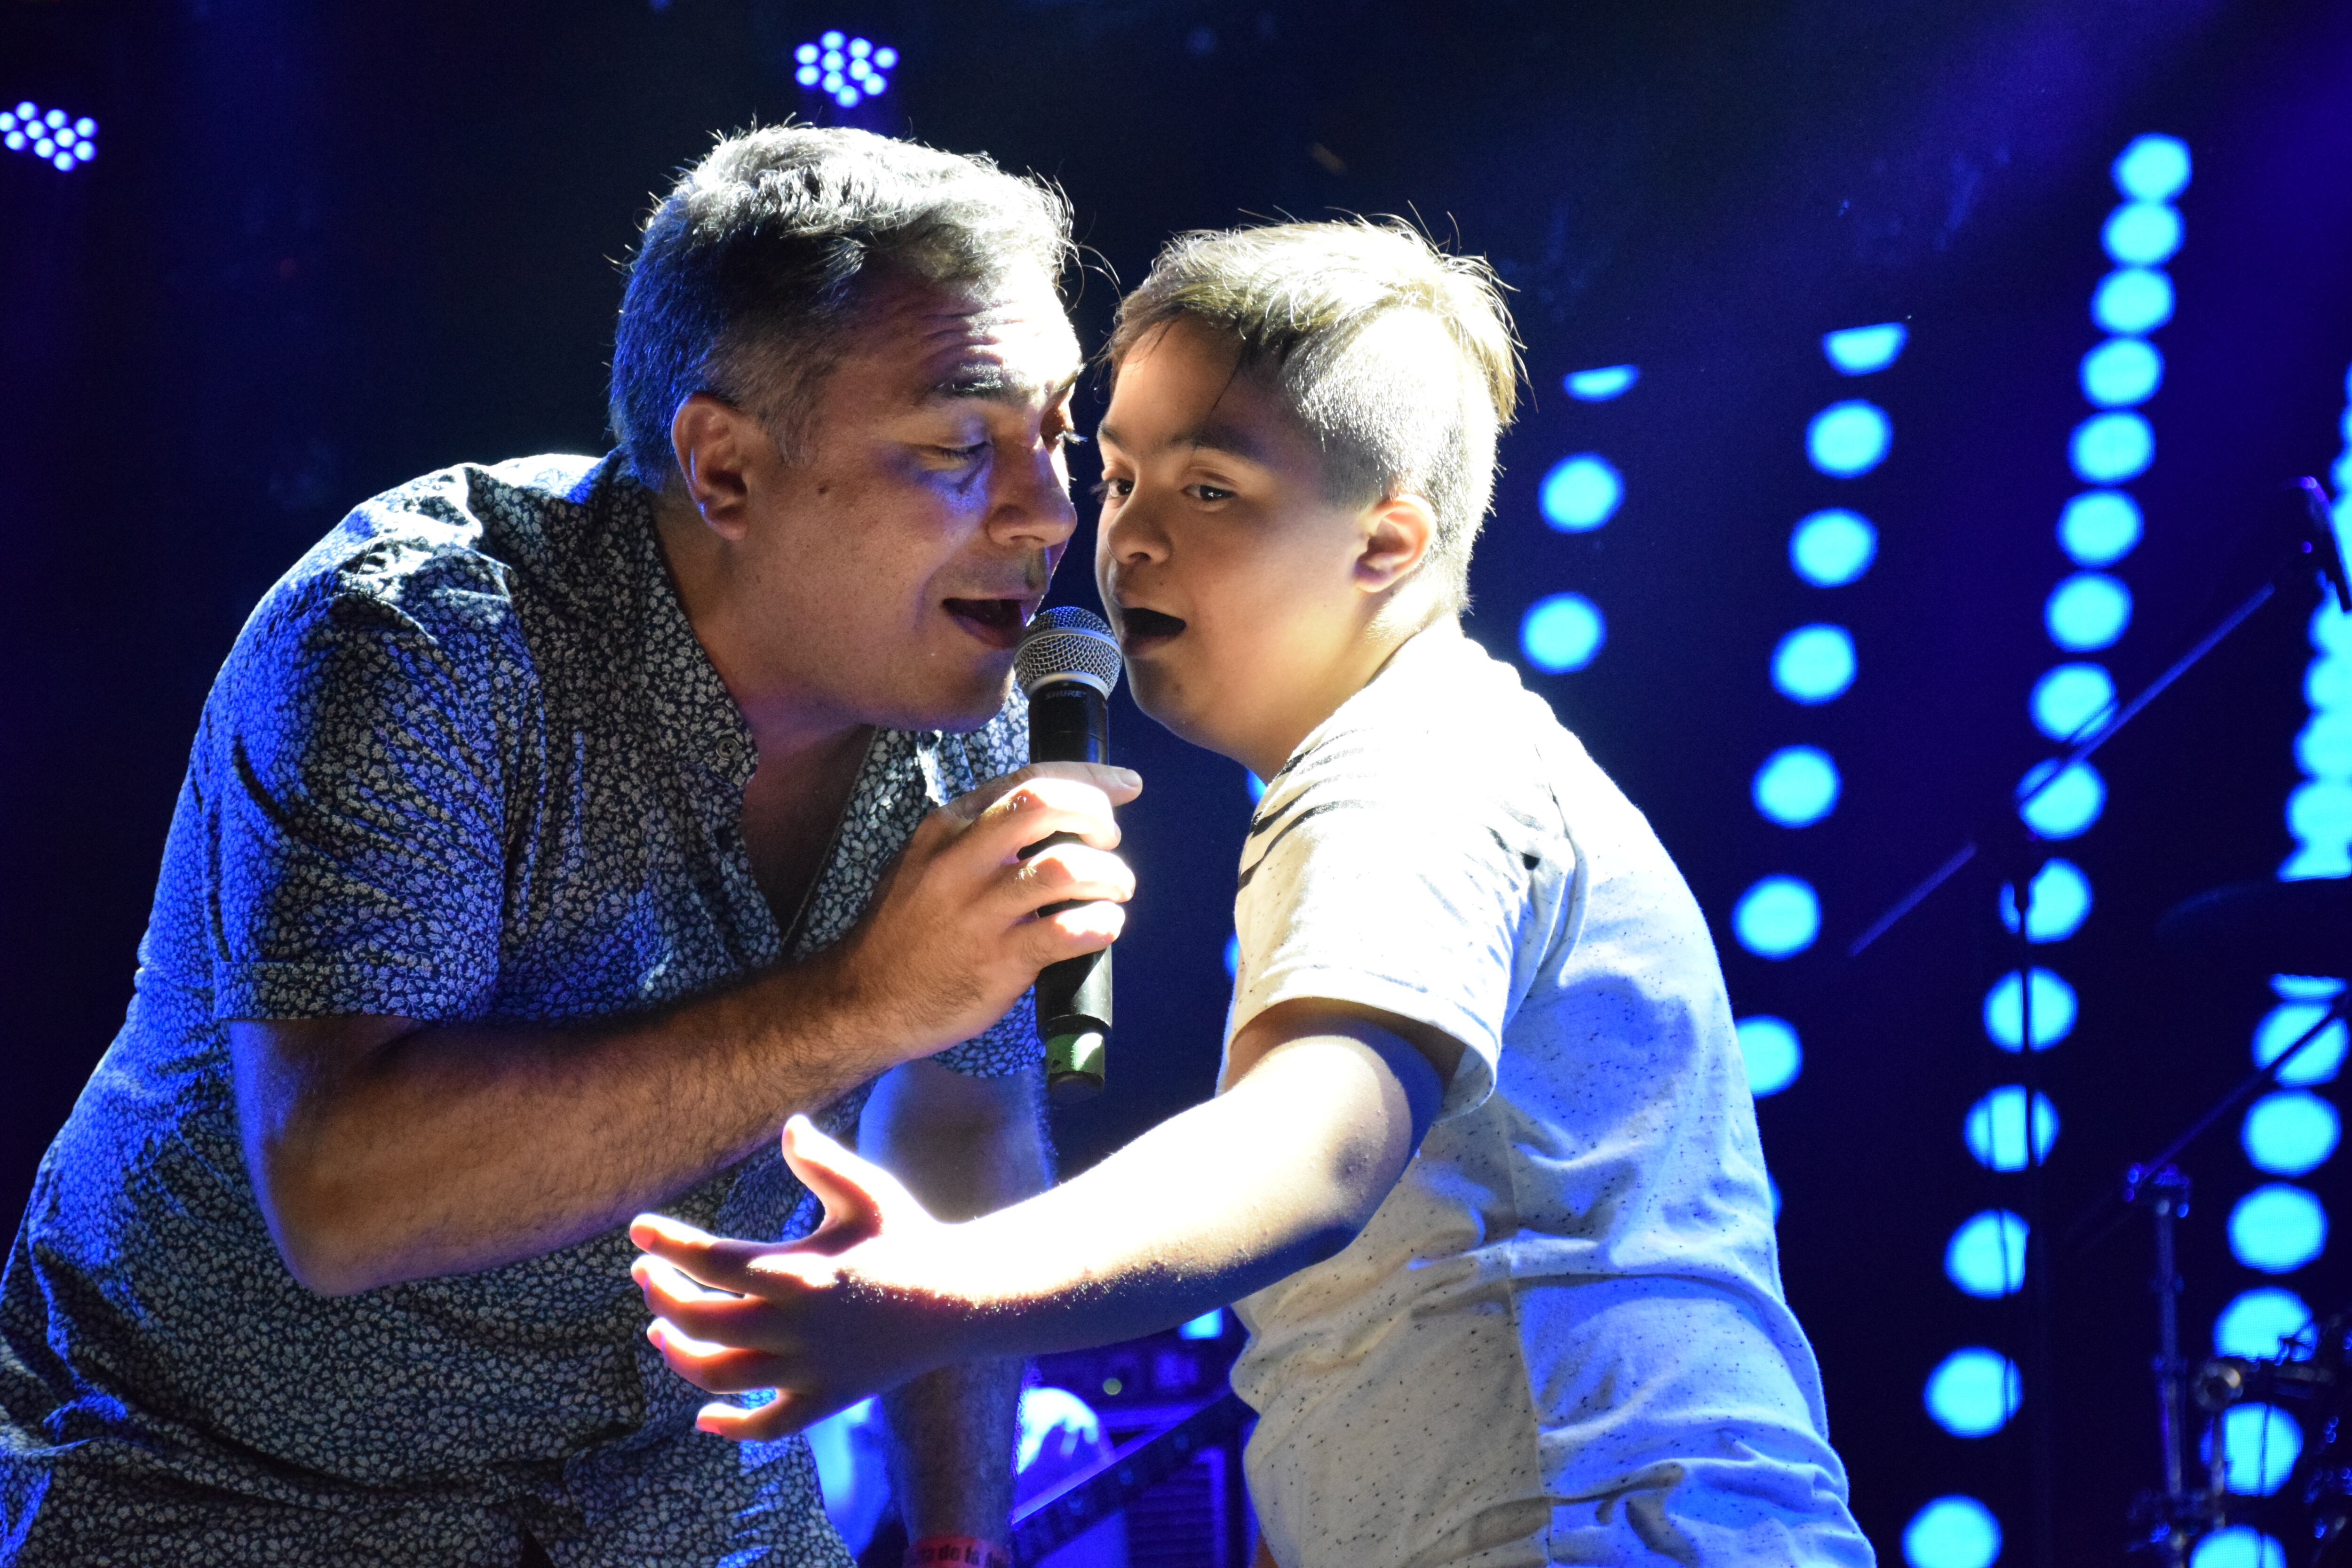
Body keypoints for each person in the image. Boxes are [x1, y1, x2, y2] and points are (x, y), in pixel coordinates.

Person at [632, 219, 1877, 1566]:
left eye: (1211, 489)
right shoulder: (1408, 759)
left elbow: (1313, 1147)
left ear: (1387, 542)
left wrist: (943, 1287)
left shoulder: (1412, 772)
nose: (1129, 539)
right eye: (1115, 479)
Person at [0, 126, 1139, 1566]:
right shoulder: (418, 639)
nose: (1048, 518)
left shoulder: (960, 696)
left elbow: (962, 1120)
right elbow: (342, 1195)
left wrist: (959, 1537)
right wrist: (859, 1003)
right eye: (959, 449)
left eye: (1052, 435)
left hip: (671, 1497)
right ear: (723, 468)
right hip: (224, 1488)